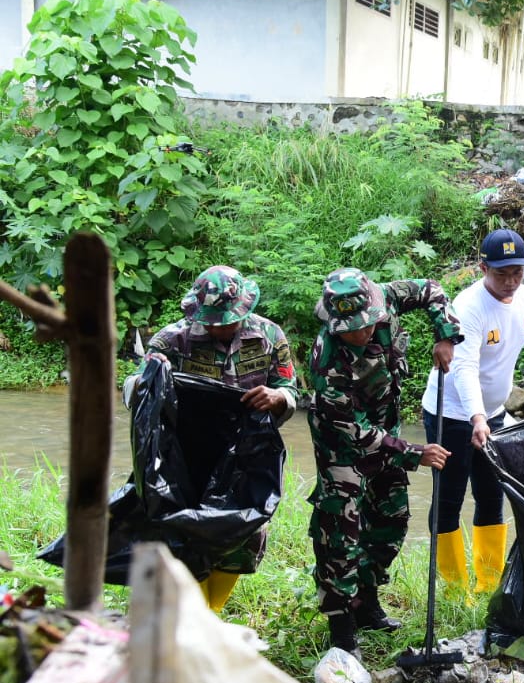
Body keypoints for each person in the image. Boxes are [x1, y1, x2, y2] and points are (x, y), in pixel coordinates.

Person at [126, 264, 299, 612]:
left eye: (229, 321)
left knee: (242, 532)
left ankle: (212, 611)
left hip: (246, 454)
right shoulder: (173, 339)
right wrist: (152, 374)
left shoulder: (269, 335)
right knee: (186, 531)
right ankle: (188, 614)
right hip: (188, 455)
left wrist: (279, 398)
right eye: (213, 322)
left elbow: (289, 387)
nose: (221, 328)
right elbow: (133, 392)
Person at [308, 267, 462, 653]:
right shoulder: (327, 362)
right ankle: (342, 628)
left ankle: (366, 601)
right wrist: (413, 452)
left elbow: (430, 289)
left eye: (366, 325)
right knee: (340, 536)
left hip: (386, 430)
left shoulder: (388, 297)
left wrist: (445, 335)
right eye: (350, 329)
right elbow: (353, 432)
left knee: (391, 521)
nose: (361, 334)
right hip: (342, 449)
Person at [421, 229, 524, 596]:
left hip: (491, 414)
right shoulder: (469, 306)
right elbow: (464, 367)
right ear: (483, 268)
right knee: (450, 498)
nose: (510, 282)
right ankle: (453, 589)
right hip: (451, 413)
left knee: (492, 495)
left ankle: (488, 585)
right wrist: (476, 417)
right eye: (501, 273)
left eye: (517, 273)